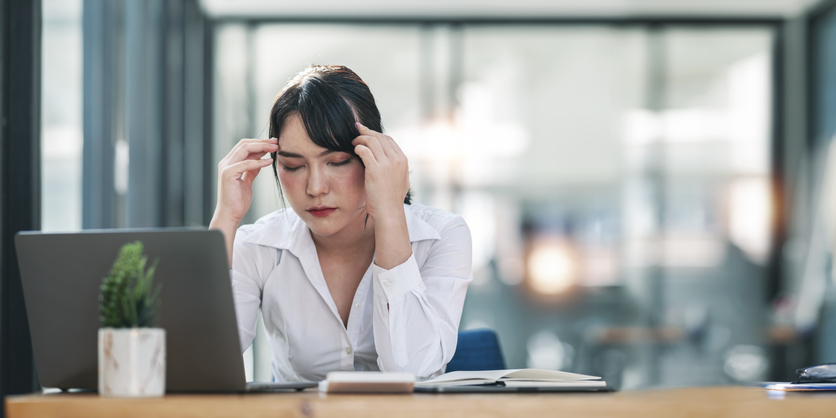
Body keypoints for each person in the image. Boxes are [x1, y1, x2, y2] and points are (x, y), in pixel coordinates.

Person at [209, 65, 473, 382]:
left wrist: (390, 212)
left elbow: (411, 369)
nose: (316, 187)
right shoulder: (258, 247)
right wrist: (226, 216)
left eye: (337, 162)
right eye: (293, 166)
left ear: (375, 154)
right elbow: (201, 364)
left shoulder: (442, 237)